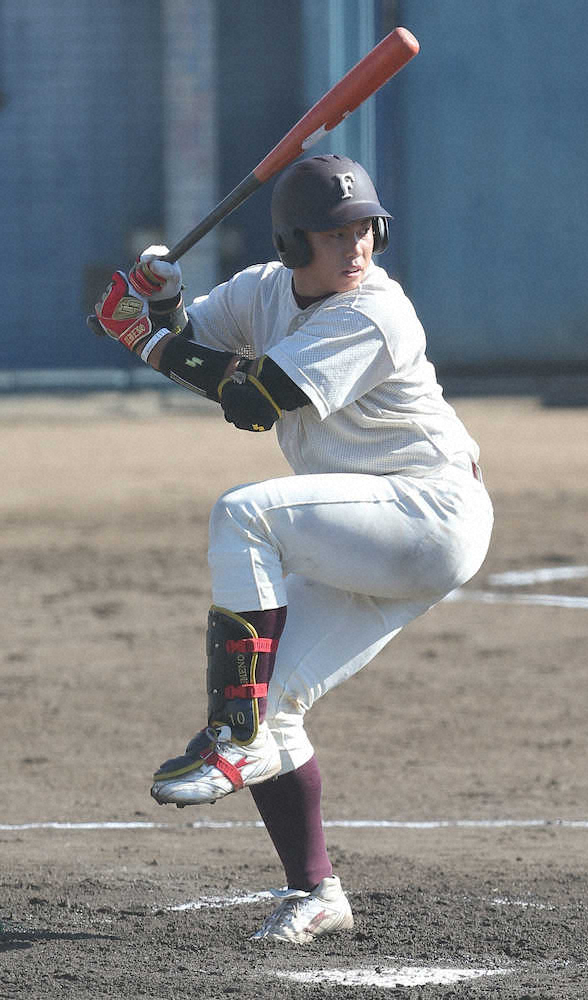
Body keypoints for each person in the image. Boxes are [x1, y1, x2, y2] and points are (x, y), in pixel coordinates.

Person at [93, 153, 493, 944]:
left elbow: (249, 399)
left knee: (244, 515)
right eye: (335, 233)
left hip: (427, 513)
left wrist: (141, 341)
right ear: (291, 243)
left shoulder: (374, 313)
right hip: (357, 526)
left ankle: (229, 734)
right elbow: (191, 342)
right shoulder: (260, 291)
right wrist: (158, 302)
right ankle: (315, 891)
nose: (356, 249)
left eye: (365, 230)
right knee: (276, 704)